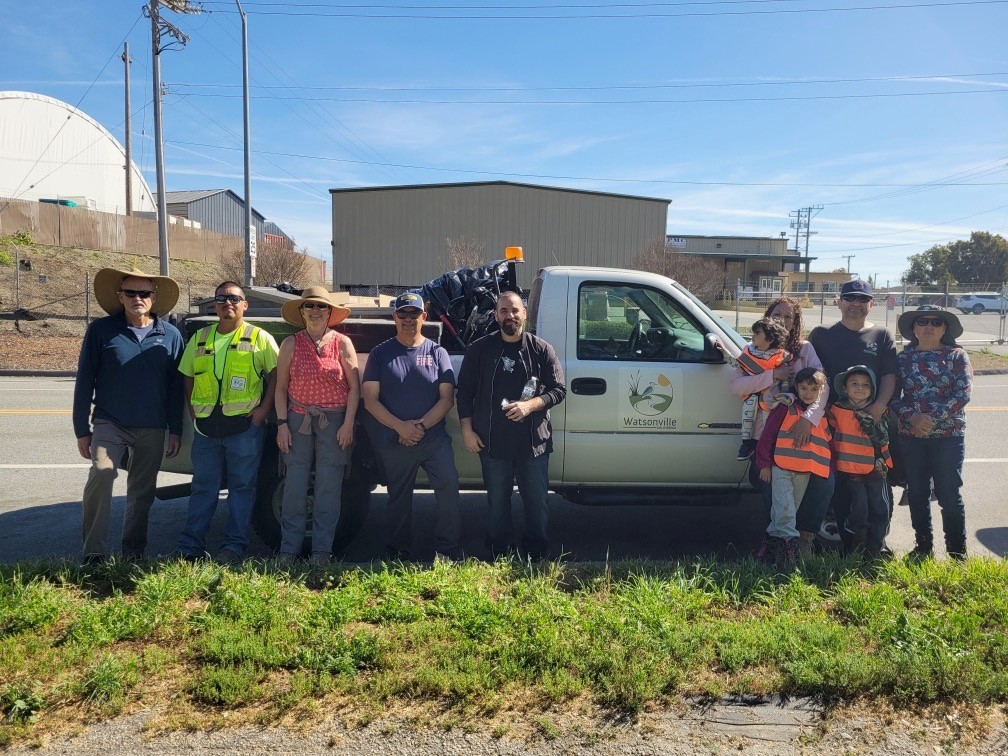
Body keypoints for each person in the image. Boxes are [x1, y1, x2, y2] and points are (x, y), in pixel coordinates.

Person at [73, 265, 184, 562]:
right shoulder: (101, 331)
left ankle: (133, 554)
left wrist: (176, 429)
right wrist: (81, 430)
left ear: (154, 297)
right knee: (102, 473)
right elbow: (84, 381)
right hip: (110, 422)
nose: (138, 298)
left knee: (142, 491)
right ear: (120, 296)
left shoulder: (171, 336)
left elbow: (176, 389)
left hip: (152, 426)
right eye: (131, 292)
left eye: (144, 292)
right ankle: (94, 554)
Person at [457, 290, 567, 560]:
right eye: (504, 311)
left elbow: (559, 390)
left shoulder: (542, 349)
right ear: (496, 315)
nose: (510, 316)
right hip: (492, 442)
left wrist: (530, 405)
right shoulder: (479, 350)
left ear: (525, 314)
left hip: (533, 444)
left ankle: (536, 553)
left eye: (515, 310)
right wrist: (467, 430)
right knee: (497, 504)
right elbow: (464, 393)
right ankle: (498, 552)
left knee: (537, 504)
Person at [175, 281, 279, 564]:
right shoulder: (200, 338)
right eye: (221, 298)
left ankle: (233, 547)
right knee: (203, 489)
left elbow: (277, 377)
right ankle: (190, 547)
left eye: (234, 298)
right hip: (206, 429)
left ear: (245, 304)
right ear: (214, 305)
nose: (227, 303)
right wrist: (194, 411)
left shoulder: (259, 338)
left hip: (245, 429)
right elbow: (187, 374)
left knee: (241, 489)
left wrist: (263, 410)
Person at [362, 292, 462, 561]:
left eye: (414, 314)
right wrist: (400, 428)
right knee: (398, 499)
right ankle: (399, 552)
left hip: (433, 439)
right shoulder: (380, 354)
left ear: (423, 317)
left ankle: (447, 550)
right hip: (396, 439)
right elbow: (370, 400)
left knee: (449, 488)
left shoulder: (437, 352)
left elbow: (447, 398)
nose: (408, 319)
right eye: (403, 314)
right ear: (394, 317)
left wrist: (418, 428)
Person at [731, 296, 831, 558]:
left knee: (823, 482)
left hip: (801, 432)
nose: (781, 321)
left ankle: (804, 540)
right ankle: (775, 542)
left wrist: (809, 419)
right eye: (777, 315)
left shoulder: (804, 349)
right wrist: (772, 376)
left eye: (788, 317)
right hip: (767, 434)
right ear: (767, 315)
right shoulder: (753, 349)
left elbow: (823, 385)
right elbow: (737, 386)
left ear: (796, 322)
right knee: (769, 484)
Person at [808, 279, 899, 547]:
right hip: (831, 421)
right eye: (850, 298)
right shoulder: (821, 333)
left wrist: (879, 406)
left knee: (876, 485)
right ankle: (847, 541)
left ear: (871, 304)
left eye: (862, 299)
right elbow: (811, 373)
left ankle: (877, 542)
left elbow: (889, 375)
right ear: (839, 302)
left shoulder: (881, 335)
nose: (855, 304)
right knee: (838, 482)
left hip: (869, 424)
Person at [274, 286, 358, 565]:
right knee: (295, 486)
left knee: (328, 487)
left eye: (321, 306)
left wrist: (348, 424)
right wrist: (282, 424)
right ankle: (289, 550)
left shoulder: (342, 343)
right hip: (298, 419)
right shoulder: (290, 344)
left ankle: (322, 551)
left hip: (334, 421)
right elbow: (281, 388)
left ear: (330, 312)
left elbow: (354, 389)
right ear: (301, 311)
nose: (315, 311)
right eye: (309, 306)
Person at [890, 305, 973, 559]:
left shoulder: (957, 356)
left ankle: (957, 552)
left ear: (945, 328)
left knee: (949, 493)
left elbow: (963, 394)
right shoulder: (902, 359)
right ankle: (923, 547)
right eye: (922, 322)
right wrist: (912, 417)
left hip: (949, 436)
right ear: (913, 328)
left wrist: (931, 420)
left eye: (936, 322)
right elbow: (892, 397)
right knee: (916, 492)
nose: (928, 327)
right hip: (912, 435)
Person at [754, 368, 832, 565]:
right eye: (804, 388)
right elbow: (767, 437)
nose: (808, 393)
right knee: (785, 509)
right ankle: (790, 554)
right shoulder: (784, 407)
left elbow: (826, 443)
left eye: (814, 389)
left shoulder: (821, 415)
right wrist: (764, 465)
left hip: (805, 471)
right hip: (781, 467)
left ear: (821, 391)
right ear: (796, 387)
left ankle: (770, 551)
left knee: (787, 511)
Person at [827, 366, 892, 560]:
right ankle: (855, 548)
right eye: (854, 384)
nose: (860, 388)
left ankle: (875, 549)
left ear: (872, 390)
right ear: (844, 388)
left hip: (875, 470)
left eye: (865, 385)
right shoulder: (835, 411)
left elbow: (884, 438)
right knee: (857, 511)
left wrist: (872, 426)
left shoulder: (878, 411)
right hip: (848, 471)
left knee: (879, 509)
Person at [715, 316, 793, 461]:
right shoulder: (749, 351)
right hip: (752, 397)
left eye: (757, 334)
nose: (753, 337)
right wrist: (725, 352)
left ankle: (761, 450)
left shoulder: (780, 356)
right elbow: (738, 364)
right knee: (747, 416)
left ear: (769, 339)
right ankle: (746, 444)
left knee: (767, 426)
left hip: (772, 398)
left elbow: (787, 377)